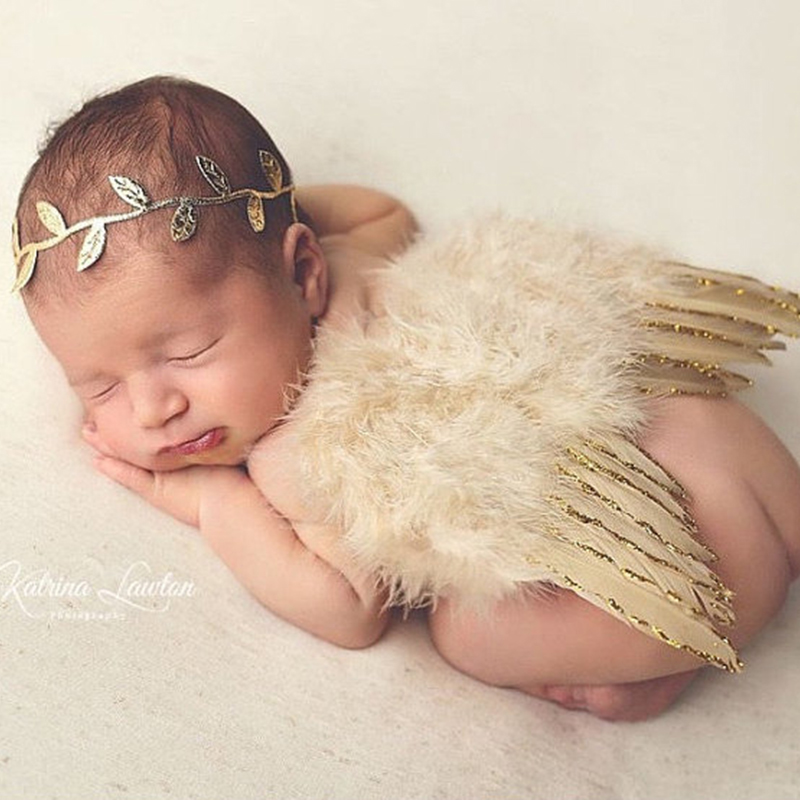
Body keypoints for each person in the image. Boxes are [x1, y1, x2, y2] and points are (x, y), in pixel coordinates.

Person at [12, 76, 800, 722]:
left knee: (466, 634)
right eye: (100, 386)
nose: (153, 408)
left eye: (186, 353)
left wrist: (213, 504)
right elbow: (383, 208)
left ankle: (663, 666)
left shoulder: (299, 450)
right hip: (737, 450)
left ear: (302, 271)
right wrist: (248, 228)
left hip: (684, 572)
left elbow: (352, 610)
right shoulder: (359, 259)